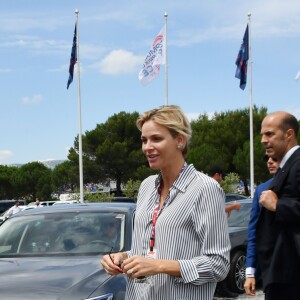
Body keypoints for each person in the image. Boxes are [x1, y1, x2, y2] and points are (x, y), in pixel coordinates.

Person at [101, 105, 231, 300]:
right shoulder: (146, 186)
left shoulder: (205, 189)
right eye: (144, 140)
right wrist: (123, 257)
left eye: (156, 139)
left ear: (180, 140)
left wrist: (160, 266)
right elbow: (149, 250)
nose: (147, 147)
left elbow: (218, 265)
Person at [256, 111, 300, 300]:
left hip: (292, 279)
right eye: (262, 135)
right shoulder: (288, 165)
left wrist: (278, 206)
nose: (263, 140)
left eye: (269, 134)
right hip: (281, 276)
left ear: (289, 134)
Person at [244, 155, 279, 296]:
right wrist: (250, 272)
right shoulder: (261, 190)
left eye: (275, 158)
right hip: (271, 270)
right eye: (267, 158)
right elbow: (254, 233)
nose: (270, 161)